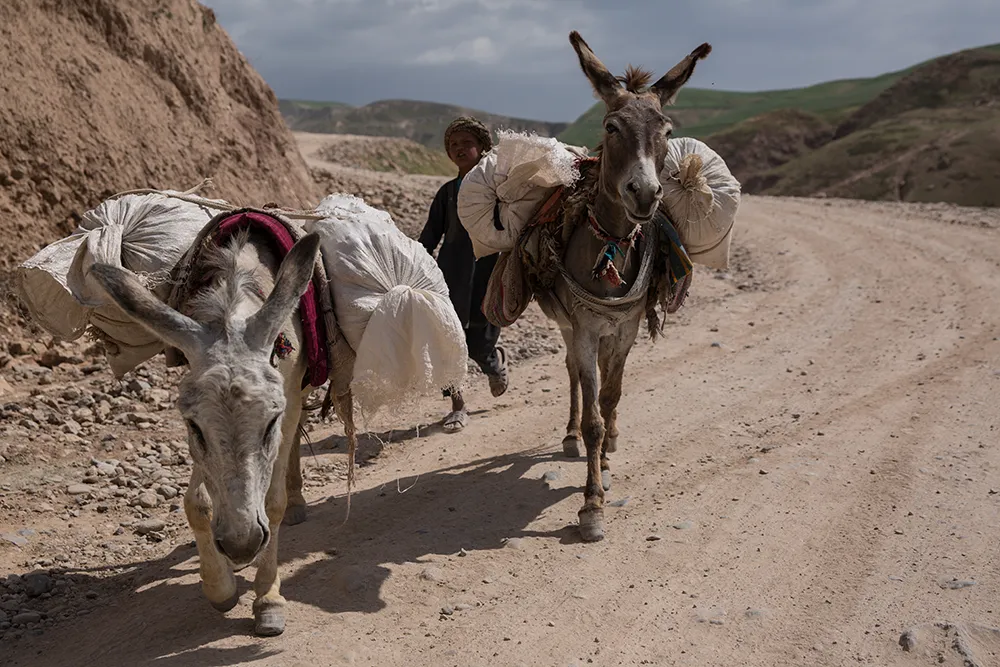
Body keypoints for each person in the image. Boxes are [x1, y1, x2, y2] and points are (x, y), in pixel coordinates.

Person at [419, 116, 508, 433]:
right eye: (453, 145)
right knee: (445, 341)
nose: (459, 149)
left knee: (479, 341)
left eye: (466, 143)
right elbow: (430, 235)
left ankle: (492, 362)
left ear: (482, 148)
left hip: (486, 272)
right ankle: (457, 405)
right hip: (451, 275)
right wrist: (415, 260)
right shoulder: (447, 193)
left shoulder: (496, 188)